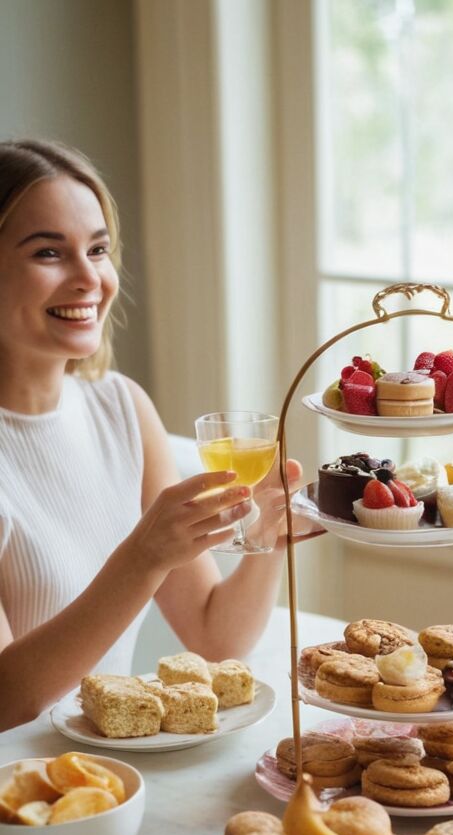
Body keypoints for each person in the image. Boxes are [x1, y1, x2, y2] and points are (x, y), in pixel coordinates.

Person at [0, 138, 306, 732]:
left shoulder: (121, 407)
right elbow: (5, 701)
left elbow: (215, 638)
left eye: (98, 249)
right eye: (49, 253)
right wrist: (142, 558)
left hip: (110, 779)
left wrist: (270, 540)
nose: (89, 278)